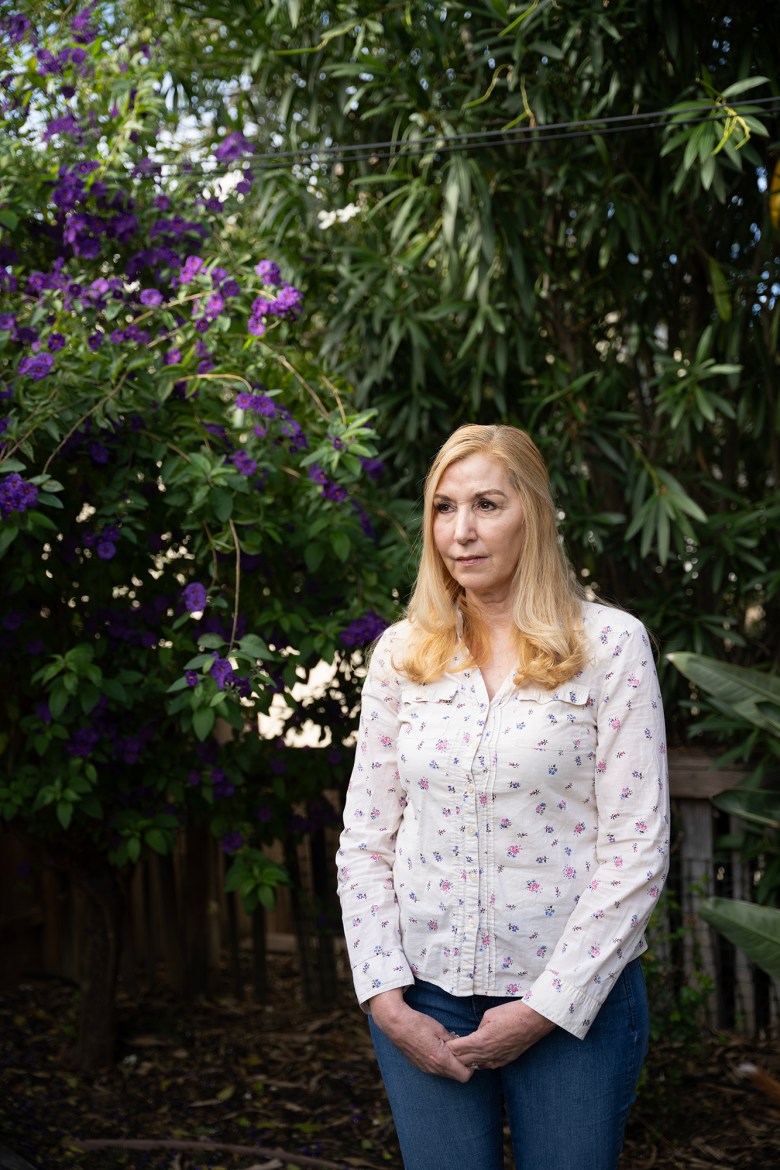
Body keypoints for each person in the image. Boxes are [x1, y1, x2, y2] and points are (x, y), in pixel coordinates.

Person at [336, 423, 670, 1170]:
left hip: (571, 1001)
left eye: (487, 504)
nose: (461, 531)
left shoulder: (610, 647)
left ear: (535, 515)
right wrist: (385, 998)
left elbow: (637, 848)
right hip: (424, 998)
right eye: (444, 507)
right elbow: (366, 839)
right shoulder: (401, 655)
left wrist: (544, 1008)